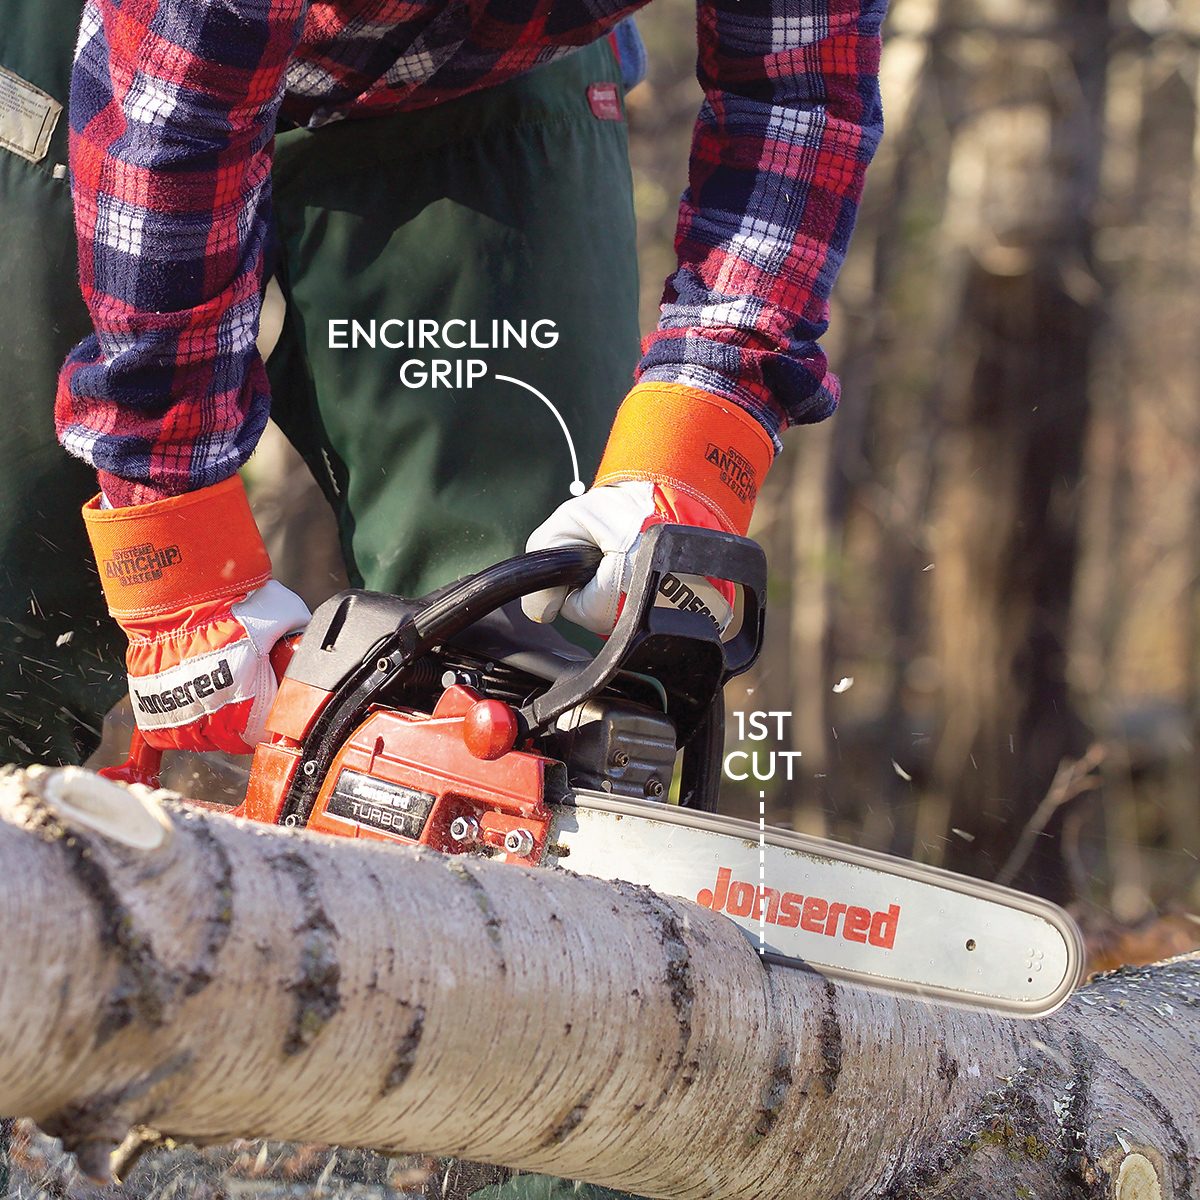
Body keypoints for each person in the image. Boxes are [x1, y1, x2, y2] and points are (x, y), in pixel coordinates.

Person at [58, 0, 886, 763]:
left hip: (493, 65)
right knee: (26, 598)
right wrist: (171, 547)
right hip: (120, 63)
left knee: (530, 658)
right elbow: (170, 112)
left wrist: (695, 453)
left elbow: (800, 98)